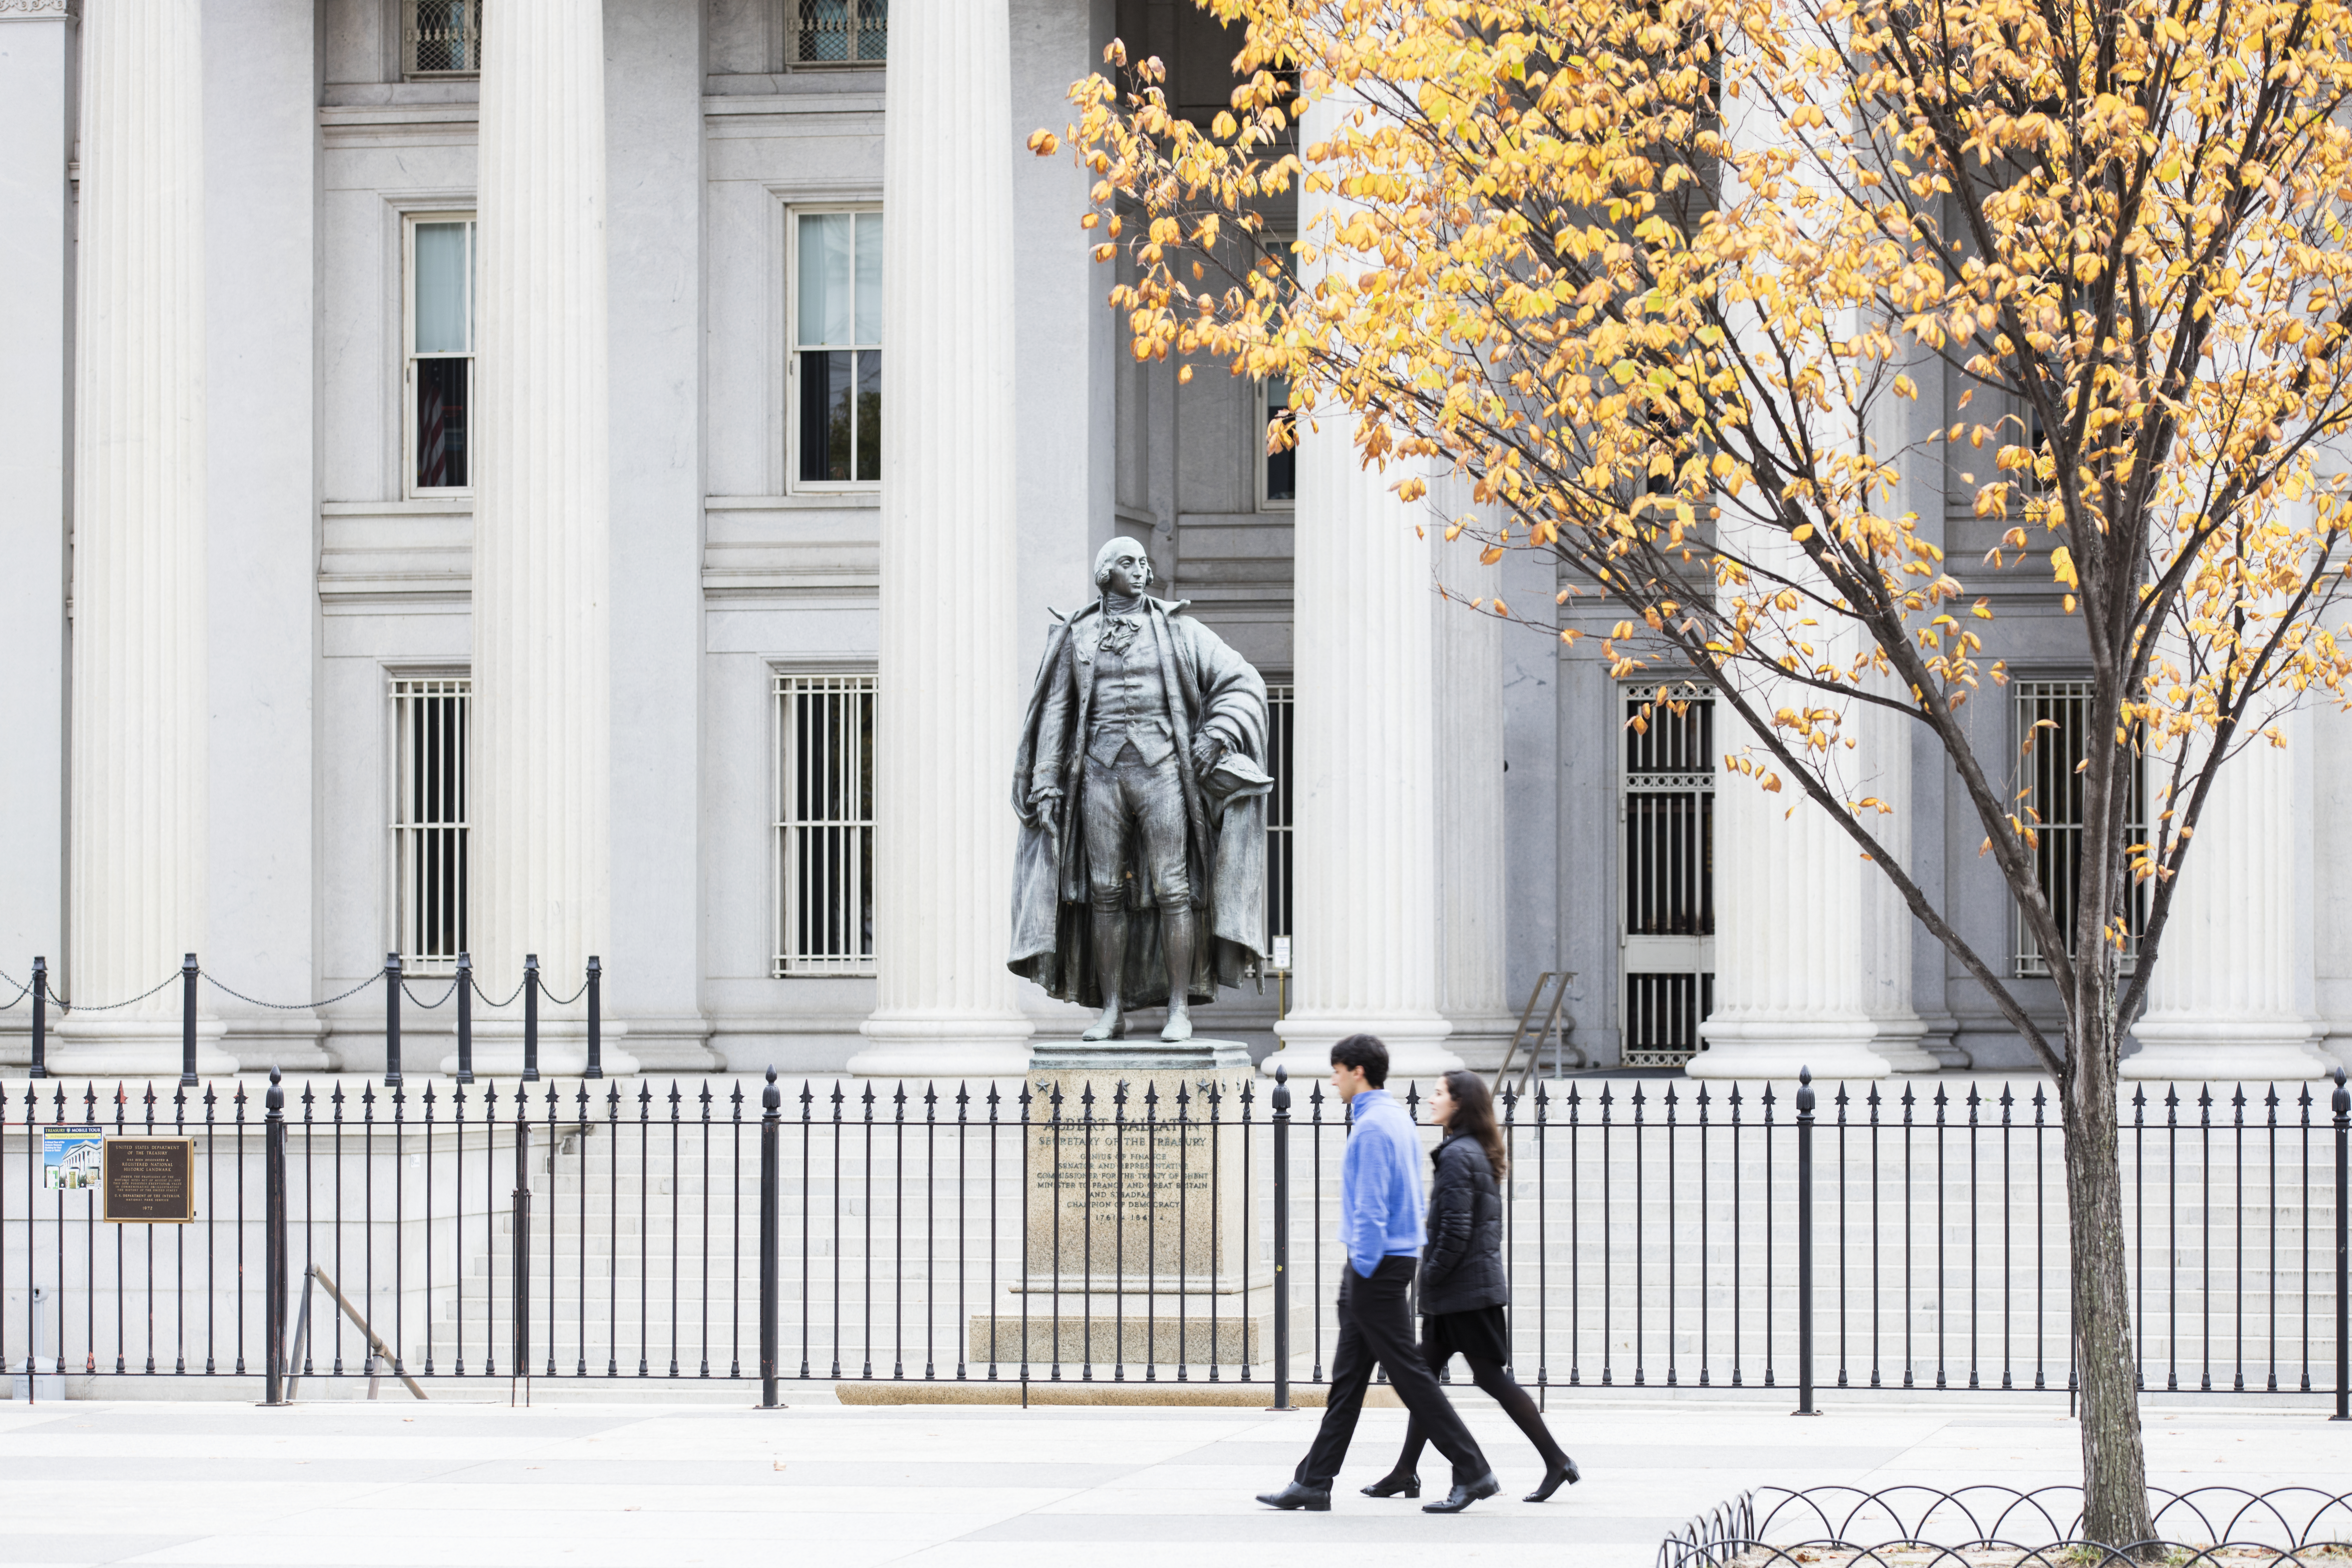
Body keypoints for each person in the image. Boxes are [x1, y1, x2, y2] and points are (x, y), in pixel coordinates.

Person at [1256, 1035, 1501, 1515]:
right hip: (1393, 1262)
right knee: (1348, 1381)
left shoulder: (1370, 1129)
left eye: (1337, 1071)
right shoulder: (1395, 1119)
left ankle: (1473, 1469)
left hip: (1376, 1265)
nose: (1333, 1080)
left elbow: (1369, 1210)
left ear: (1358, 1072)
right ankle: (1313, 1481)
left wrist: (1361, 1275)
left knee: (1410, 1376)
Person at [1359, 1069, 1579, 1504]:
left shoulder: (1460, 1156)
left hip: (1464, 1295)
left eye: (1439, 1094)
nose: (1431, 1100)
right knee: (1425, 1380)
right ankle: (1406, 1471)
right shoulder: (1469, 1150)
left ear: (1459, 1104)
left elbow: (1457, 1231)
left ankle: (1547, 1462)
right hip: (1463, 1292)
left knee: (1486, 1379)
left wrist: (1430, 1275)